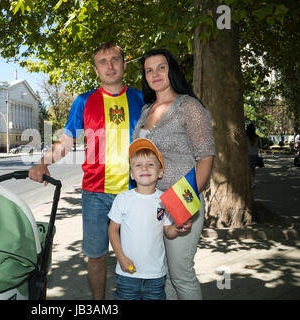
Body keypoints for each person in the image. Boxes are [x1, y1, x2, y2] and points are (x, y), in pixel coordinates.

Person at [29, 42, 145, 299]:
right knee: (96, 256)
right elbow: (66, 141)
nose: (110, 66)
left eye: (115, 59)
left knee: (134, 256)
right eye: (103, 62)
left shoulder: (141, 98)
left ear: (124, 64)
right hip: (95, 194)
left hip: (135, 193)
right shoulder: (84, 101)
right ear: (96, 70)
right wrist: (43, 162)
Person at [131, 48, 215, 300]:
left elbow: (206, 158)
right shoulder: (146, 110)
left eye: (161, 67)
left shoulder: (188, 106)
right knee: (162, 275)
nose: (154, 73)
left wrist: (183, 207)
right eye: (148, 70)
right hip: (151, 205)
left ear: (172, 71)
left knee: (181, 275)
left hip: (180, 201)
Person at [108, 138, 192, 300]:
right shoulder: (123, 198)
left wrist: (176, 228)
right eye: (138, 165)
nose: (144, 168)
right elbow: (112, 230)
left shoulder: (166, 200)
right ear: (132, 173)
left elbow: (168, 231)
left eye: (150, 164)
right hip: (127, 274)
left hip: (155, 276)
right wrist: (121, 257)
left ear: (161, 172)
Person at [246, 123, 260, 189]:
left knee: (248, 170)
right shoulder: (257, 137)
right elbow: (260, 145)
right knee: (253, 170)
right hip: (255, 155)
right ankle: (253, 182)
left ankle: (250, 182)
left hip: (247, 155)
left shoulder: (245, 137)